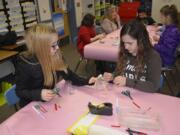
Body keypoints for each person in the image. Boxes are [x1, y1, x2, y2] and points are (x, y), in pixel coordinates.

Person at [15, 24, 96, 107]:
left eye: (57, 43)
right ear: (41, 48)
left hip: (48, 101)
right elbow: (20, 91)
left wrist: (86, 81)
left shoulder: (55, 55)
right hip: (31, 104)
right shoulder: (26, 65)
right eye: (53, 45)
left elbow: (69, 75)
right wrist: (38, 94)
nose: (57, 48)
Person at [103, 20, 161, 92]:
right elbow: (118, 72)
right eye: (124, 43)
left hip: (143, 98)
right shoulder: (125, 53)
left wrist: (127, 82)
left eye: (130, 43)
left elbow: (153, 86)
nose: (126, 47)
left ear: (141, 40)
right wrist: (112, 76)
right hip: (125, 95)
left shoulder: (153, 57)